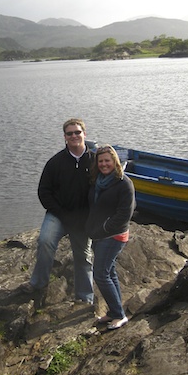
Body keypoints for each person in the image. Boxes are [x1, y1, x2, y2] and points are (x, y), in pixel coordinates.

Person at [20, 118, 95, 305]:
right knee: (45, 241)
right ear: (64, 137)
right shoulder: (55, 162)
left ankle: (85, 297)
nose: (74, 136)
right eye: (69, 133)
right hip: (58, 214)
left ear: (84, 134)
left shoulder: (95, 161)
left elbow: (106, 188)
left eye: (77, 132)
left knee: (84, 256)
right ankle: (38, 282)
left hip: (82, 218)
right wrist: (60, 212)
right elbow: (44, 192)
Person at [86, 145, 135, 329]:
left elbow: (124, 215)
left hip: (114, 235)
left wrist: (104, 228)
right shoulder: (97, 180)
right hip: (98, 234)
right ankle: (114, 312)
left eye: (107, 160)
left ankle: (120, 315)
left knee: (100, 274)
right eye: (101, 161)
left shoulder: (124, 183)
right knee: (110, 271)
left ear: (114, 161)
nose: (104, 164)